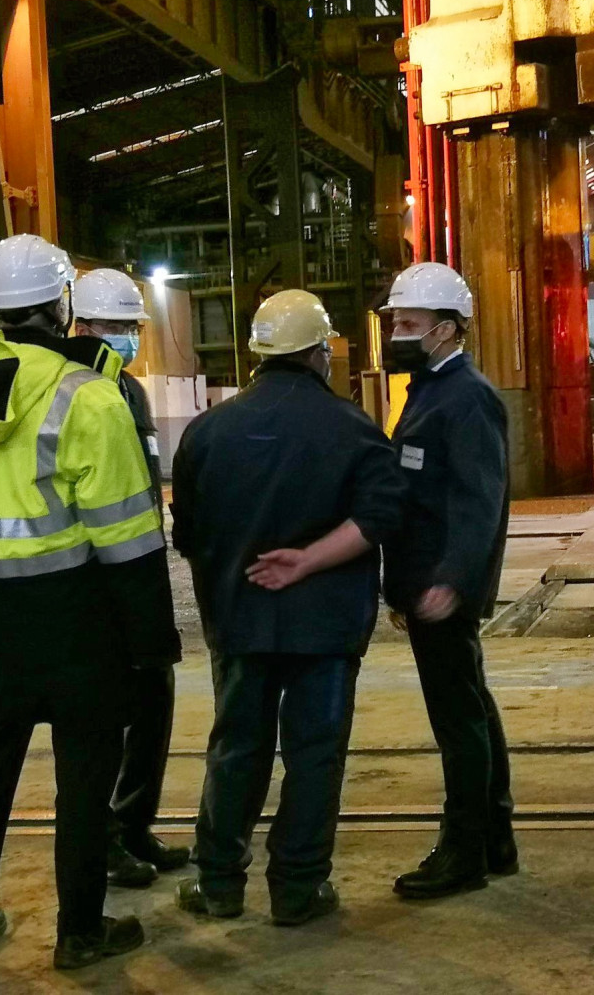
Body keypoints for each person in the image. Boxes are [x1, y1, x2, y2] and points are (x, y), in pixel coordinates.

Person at [0, 234, 179, 970]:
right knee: (84, 778)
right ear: (60, 307)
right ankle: (79, 932)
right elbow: (129, 543)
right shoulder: (87, 397)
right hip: (78, 626)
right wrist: (150, 642)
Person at [170, 289, 403, 926]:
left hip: (239, 624)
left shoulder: (207, 432)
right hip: (326, 630)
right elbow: (382, 515)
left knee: (235, 751)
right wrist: (309, 560)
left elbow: (187, 535)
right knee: (314, 756)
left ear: (257, 355)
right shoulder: (353, 427)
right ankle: (297, 889)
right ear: (319, 352)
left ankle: (219, 883)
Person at [382, 262, 516, 900]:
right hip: (425, 582)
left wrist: (451, 582)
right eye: (393, 322)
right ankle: (494, 837)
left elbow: (477, 501)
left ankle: (463, 851)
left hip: (442, 588)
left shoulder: (464, 397)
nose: (396, 333)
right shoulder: (429, 390)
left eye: (407, 323)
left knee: (457, 719)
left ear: (445, 329)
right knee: (471, 705)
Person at [71, 268, 189, 889]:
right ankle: (105, 842)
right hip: (92, 582)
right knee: (103, 719)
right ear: (82, 326)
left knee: (153, 702)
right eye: (115, 328)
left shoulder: (131, 393)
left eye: (131, 328)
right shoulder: (72, 392)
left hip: (139, 571)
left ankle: (134, 824)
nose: (126, 339)